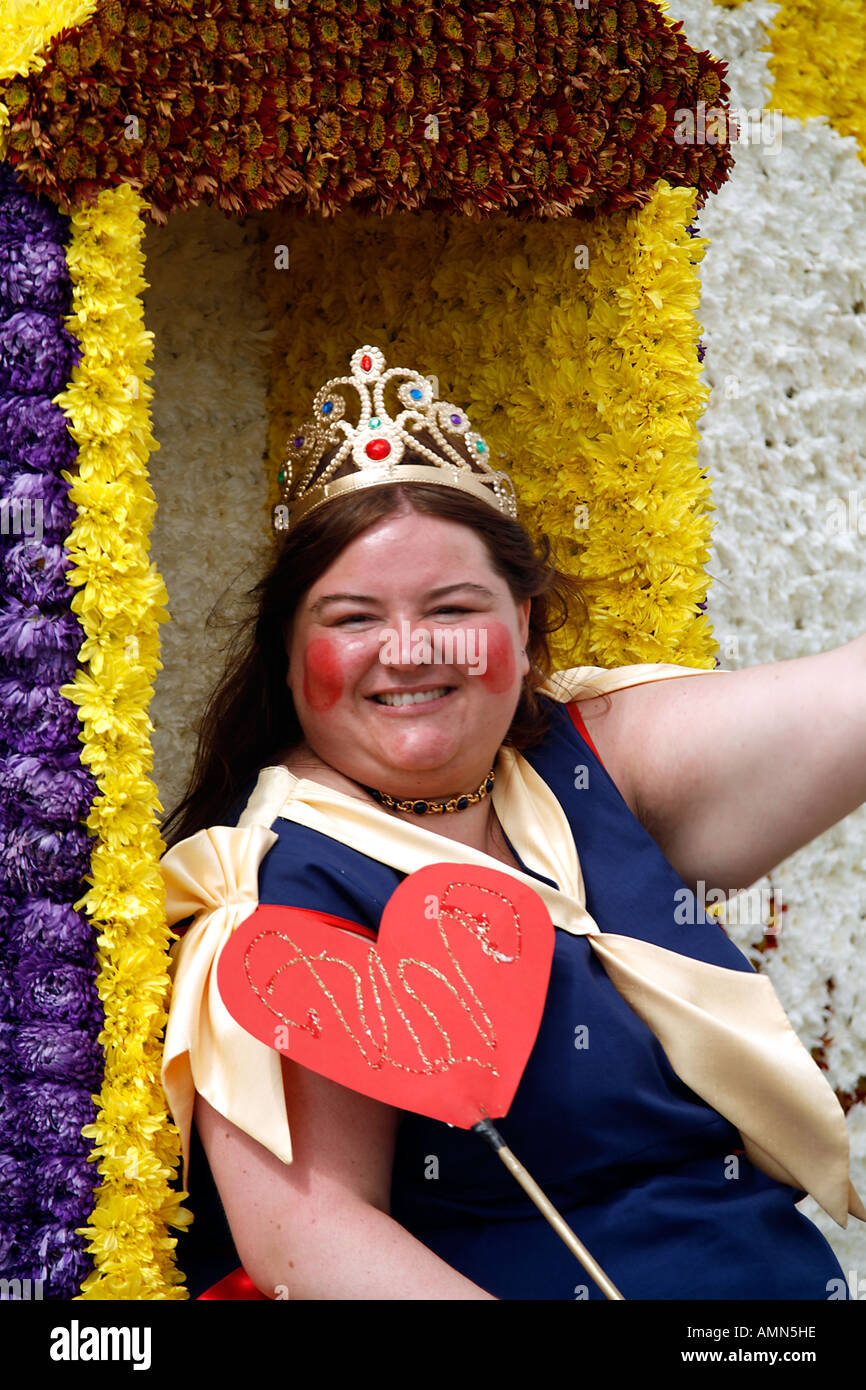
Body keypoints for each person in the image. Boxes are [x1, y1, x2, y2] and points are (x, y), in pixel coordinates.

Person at [159, 344, 866, 1301]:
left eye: (452, 607)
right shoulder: (275, 886)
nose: (408, 653)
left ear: (524, 623)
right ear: (289, 650)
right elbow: (308, 1241)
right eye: (353, 619)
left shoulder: (578, 755)